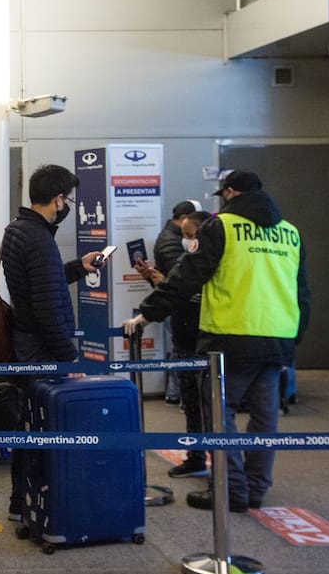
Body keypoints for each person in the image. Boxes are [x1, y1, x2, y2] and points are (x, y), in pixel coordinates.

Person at [125, 171, 310, 512]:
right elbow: (302, 291)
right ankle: (255, 489)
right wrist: (295, 335)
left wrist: (148, 313)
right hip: (277, 338)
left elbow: (186, 276)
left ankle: (231, 490)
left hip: (230, 338)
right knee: (265, 419)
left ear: (230, 192)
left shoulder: (221, 226)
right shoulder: (290, 232)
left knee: (218, 415)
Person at [0, 164, 103, 521]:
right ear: (58, 199)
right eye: (68, 199)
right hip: (41, 348)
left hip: (27, 342)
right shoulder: (38, 239)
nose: (68, 205)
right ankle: (33, 501)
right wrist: (68, 358)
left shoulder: (19, 229)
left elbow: (42, 283)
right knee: (42, 426)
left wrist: (78, 267)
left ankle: (22, 500)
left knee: (29, 423)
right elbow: (45, 307)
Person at [136, 210, 214, 478]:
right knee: (191, 404)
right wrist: (158, 280)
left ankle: (220, 468)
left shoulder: (211, 262)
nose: (187, 240)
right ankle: (195, 457)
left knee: (210, 408)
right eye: (184, 235)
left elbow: (200, 295)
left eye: (190, 235)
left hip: (204, 340)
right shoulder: (186, 261)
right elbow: (177, 292)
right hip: (183, 338)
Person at [154, 199, 201, 404]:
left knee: (180, 350)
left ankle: (177, 394)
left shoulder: (170, 237)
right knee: (182, 351)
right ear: (183, 219)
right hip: (179, 305)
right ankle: (178, 394)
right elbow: (180, 277)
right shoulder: (171, 241)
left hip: (177, 302)